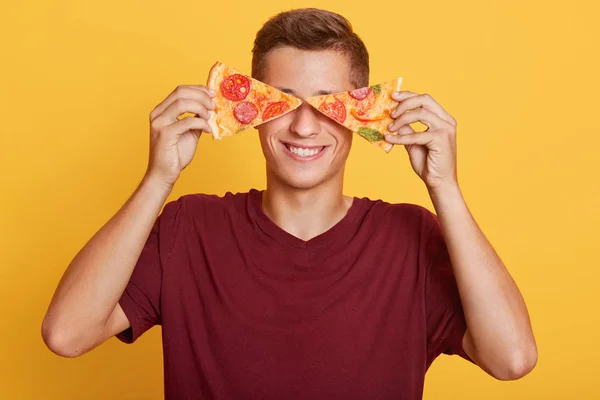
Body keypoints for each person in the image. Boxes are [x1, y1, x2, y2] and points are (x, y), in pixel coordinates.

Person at [41, 7, 537, 399]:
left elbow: (512, 359)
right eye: (282, 102)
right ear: (252, 110)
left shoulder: (413, 237)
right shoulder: (187, 227)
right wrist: (158, 178)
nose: (303, 126)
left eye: (328, 103)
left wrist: (444, 187)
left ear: (362, 113)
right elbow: (67, 335)